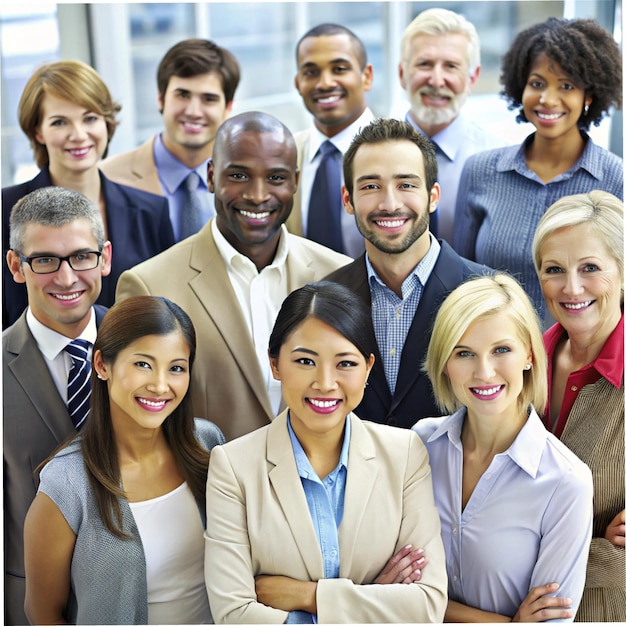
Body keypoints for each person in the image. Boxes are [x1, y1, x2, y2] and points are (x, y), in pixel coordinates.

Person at [204, 280, 447, 623]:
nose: (325, 383)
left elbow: (427, 606)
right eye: (305, 361)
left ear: (368, 368)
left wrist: (309, 597)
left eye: (345, 363)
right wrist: (370, 600)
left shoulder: (404, 454)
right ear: (275, 364)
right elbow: (234, 615)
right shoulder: (233, 467)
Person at [116, 112, 350, 441]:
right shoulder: (150, 285)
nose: (257, 195)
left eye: (276, 178)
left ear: (295, 181)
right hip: (205, 487)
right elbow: (136, 426)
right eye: (239, 175)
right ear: (211, 176)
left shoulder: (339, 274)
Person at [23, 295, 225, 624]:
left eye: (176, 368)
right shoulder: (68, 482)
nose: (160, 386)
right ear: (102, 365)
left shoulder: (208, 443)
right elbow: (42, 612)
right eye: (143, 364)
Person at [413, 273, 593, 622]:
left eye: (501, 350)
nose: (484, 372)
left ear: (528, 354)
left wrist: (423, 604)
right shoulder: (420, 445)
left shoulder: (565, 483)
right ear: (445, 364)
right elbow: (384, 588)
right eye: (464, 353)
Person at [453, 17, 623, 321]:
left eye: (567, 85)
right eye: (537, 83)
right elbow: (461, 283)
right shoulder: (480, 171)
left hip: (578, 358)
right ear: (521, 85)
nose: (548, 99)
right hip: (495, 356)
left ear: (589, 96)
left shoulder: (615, 179)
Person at [326, 117, 486, 428]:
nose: (389, 203)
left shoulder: (486, 293)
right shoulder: (324, 300)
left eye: (406, 185)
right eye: (371, 186)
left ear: (433, 196)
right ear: (348, 199)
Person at [3, 187, 111, 626]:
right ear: (16, 266)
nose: (66, 279)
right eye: (45, 260)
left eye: (81, 257)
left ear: (104, 257)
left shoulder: (148, 351)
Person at [2, 59, 175, 329]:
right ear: (38, 131)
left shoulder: (152, 212)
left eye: (90, 118)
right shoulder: (5, 209)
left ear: (106, 123)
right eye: (60, 122)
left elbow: (167, 315)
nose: (79, 135)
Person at [532, 190, 625, 622]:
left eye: (590, 268)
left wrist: (591, 557)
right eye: (554, 270)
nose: (571, 288)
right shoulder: (516, 366)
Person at [101, 38, 241, 242]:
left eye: (209, 99)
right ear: (161, 99)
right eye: (182, 95)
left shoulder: (247, 182)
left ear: (227, 107)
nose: (193, 111)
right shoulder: (107, 179)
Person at [398, 8, 505, 242]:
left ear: (473, 77)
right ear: (401, 73)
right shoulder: (370, 155)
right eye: (424, 64)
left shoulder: (499, 161)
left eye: (451, 66)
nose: (437, 80)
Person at [286, 23, 373, 257]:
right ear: (298, 83)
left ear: (367, 76)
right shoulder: (285, 155)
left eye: (340, 69)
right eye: (311, 72)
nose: (325, 83)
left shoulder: (404, 151)